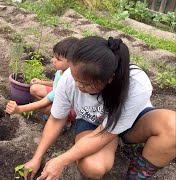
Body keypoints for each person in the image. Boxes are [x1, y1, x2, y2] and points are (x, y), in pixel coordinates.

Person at [23, 36, 176, 180]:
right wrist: (37, 157)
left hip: (133, 123)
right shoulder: (70, 78)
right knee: (93, 167)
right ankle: (107, 145)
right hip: (93, 121)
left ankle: (138, 172)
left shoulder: (137, 84)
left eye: (85, 83)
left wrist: (61, 160)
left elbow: (106, 134)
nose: (78, 85)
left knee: (173, 127)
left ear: (109, 79)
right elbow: (57, 119)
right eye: (76, 79)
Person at [5, 37, 78, 129]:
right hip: (57, 95)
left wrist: (19, 109)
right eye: (54, 56)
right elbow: (56, 83)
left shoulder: (67, 81)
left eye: (58, 59)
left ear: (72, 62)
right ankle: (53, 114)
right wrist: (42, 82)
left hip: (69, 108)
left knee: (44, 107)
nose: (53, 60)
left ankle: (65, 122)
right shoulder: (62, 70)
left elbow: (44, 101)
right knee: (35, 88)